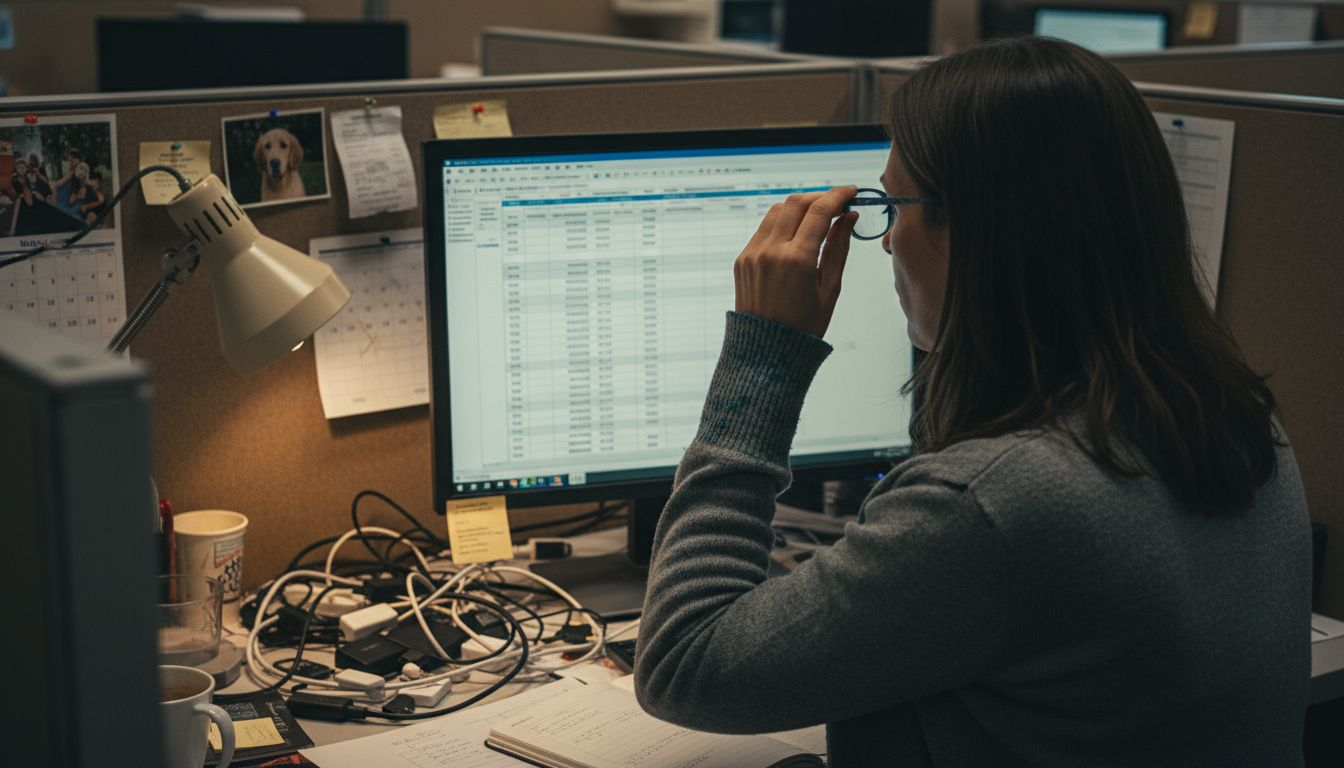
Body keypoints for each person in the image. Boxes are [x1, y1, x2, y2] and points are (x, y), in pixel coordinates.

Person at [633, 37, 1310, 766]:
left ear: (977, 231)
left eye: (894, 206)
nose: (887, 243)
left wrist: (765, 354)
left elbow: (685, 661)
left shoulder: (994, 503)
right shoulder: (1234, 417)